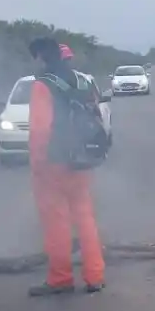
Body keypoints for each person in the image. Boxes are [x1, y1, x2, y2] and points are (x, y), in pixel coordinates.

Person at [27, 37, 105, 296]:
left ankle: (60, 278)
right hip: (82, 159)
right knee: (85, 217)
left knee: (56, 223)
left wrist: (37, 163)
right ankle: (95, 276)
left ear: (41, 57)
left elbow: (40, 130)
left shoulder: (43, 85)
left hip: (55, 163)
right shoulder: (83, 81)